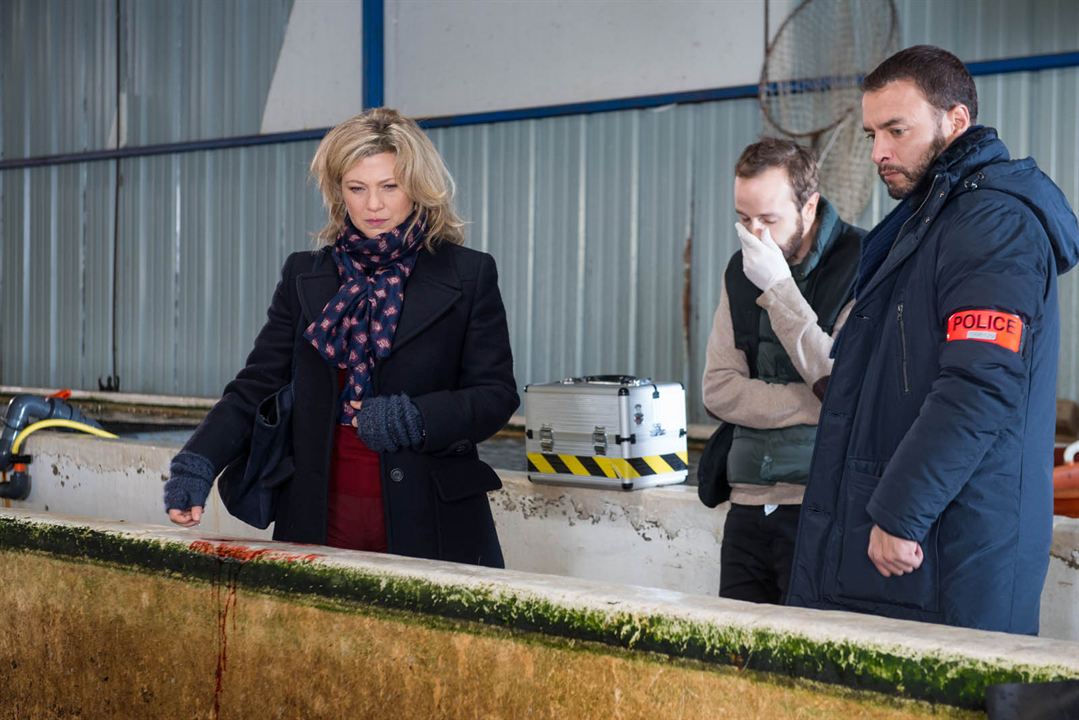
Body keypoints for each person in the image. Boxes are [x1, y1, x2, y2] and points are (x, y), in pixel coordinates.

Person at [786, 45, 1079, 633]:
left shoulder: (992, 223)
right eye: (872, 133)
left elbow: (980, 384)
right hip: (911, 549)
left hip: (945, 546)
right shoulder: (932, 217)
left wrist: (900, 512)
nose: (879, 152)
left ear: (956, 121)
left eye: (897, 130)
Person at [163, 108, 518, 567]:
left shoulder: (468, 274)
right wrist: (198, 461)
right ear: (338, 192)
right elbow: (256, 386)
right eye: (357, 188)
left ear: (418, 185)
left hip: (433, 521)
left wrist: (414, 417)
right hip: (318, 517)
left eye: (389, 186)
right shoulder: (305, 275)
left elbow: (495, 395)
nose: (373, 205)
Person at [702, 138, 864, 603]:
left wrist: (777, 287)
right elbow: (718, 390)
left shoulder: (865, 263)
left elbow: (840, 384)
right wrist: (809, 401)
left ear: (808, 207)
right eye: (743, 218)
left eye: (769, 219)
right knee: (735, 661)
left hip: (821, 504)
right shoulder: (738, 270)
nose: (755, 234)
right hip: (746, 500)